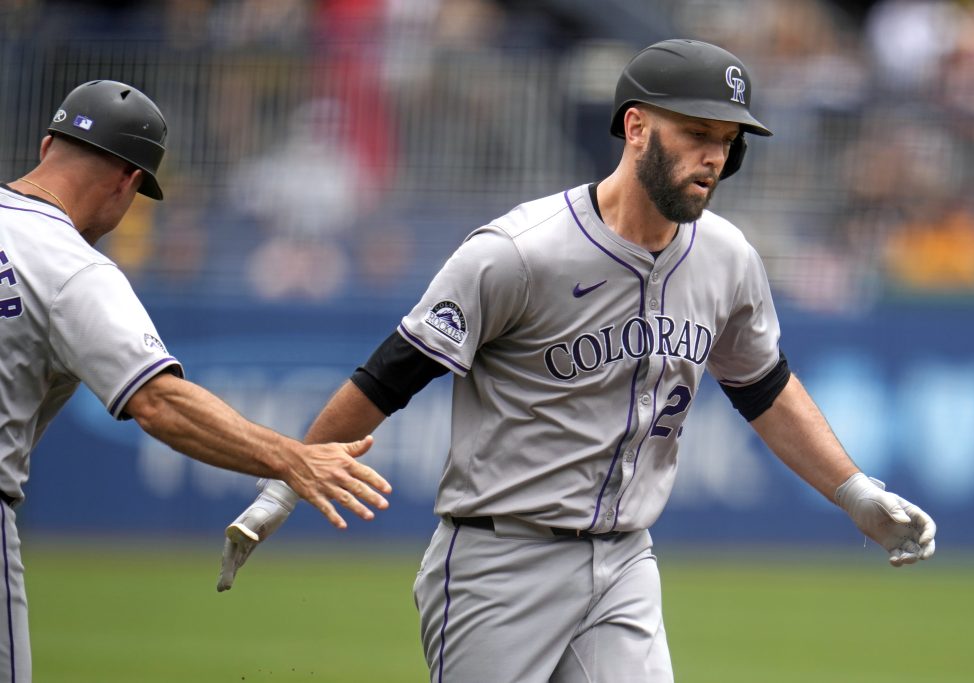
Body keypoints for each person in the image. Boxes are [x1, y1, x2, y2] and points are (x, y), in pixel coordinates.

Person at [217, 40, 937, 682]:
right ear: (635, 127)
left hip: (625, 560)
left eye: (727, 140)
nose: (714, 156)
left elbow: (764, 388)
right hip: (498, 564)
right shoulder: (518, 252)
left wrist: (854, 491)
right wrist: (283, 483)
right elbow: (389, 376)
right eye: (695, 134)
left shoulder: (726, 257)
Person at [0, 80, 392, 682]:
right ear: (130, 182)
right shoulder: (70, 266)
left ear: (48, 142)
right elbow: (159, 402)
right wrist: (293, 459)